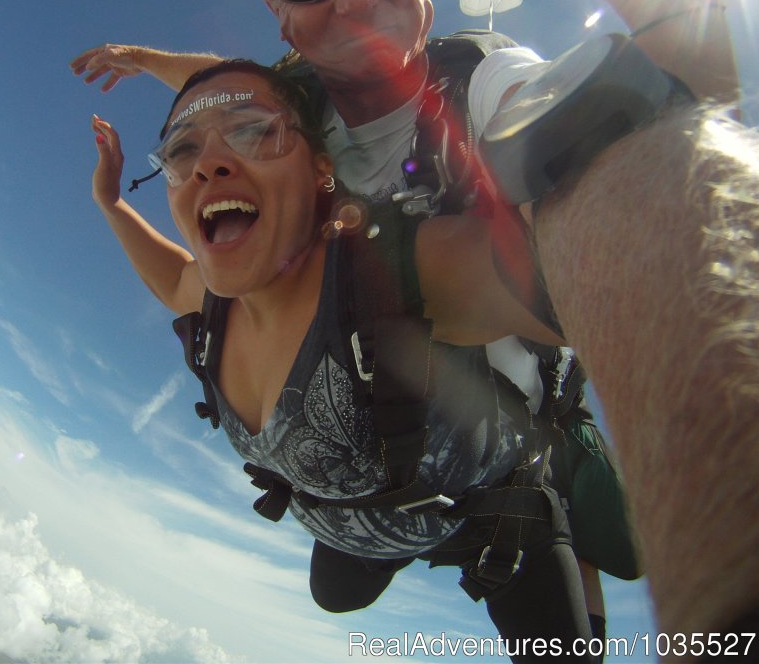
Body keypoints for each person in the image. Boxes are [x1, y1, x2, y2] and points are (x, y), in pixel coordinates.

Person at [73, 0, 683, 633]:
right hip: (366, 470)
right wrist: (140, 69)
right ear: (279, 10)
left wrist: (651, 114)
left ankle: (563, 480)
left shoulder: (478, 82)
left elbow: (556, 138)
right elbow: (226, 94)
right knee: (336, 590)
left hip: (490, 469)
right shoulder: (292, 112)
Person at [91, 58, 599, 660]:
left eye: (254, 130)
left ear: (320, 169)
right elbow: (173, 274)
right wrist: (109, 201)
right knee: (333, 596)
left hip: (494, 525)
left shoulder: (389, 277)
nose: (207, 163)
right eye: (181, 152)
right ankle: (388, 548)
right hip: (356, 524)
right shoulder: (214, 302)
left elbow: (600, 274)